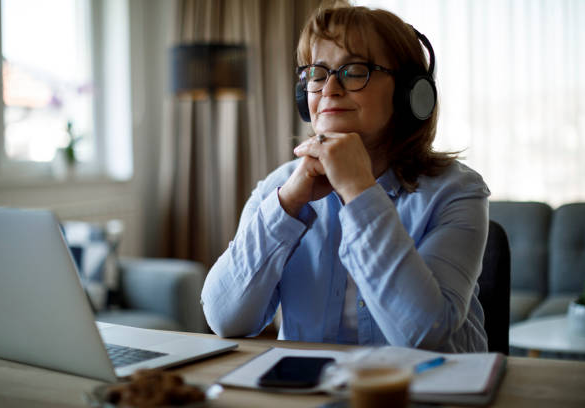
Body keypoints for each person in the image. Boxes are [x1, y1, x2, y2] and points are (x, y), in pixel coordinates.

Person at [201, 3, 490, 353]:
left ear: (410, 93)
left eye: (354, 71)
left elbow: (422, 335)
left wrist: (359, 191)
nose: (330, 89)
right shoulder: (277, 189)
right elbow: (224, 317)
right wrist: (288, 203)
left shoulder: (458, 192)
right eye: (317, 73)